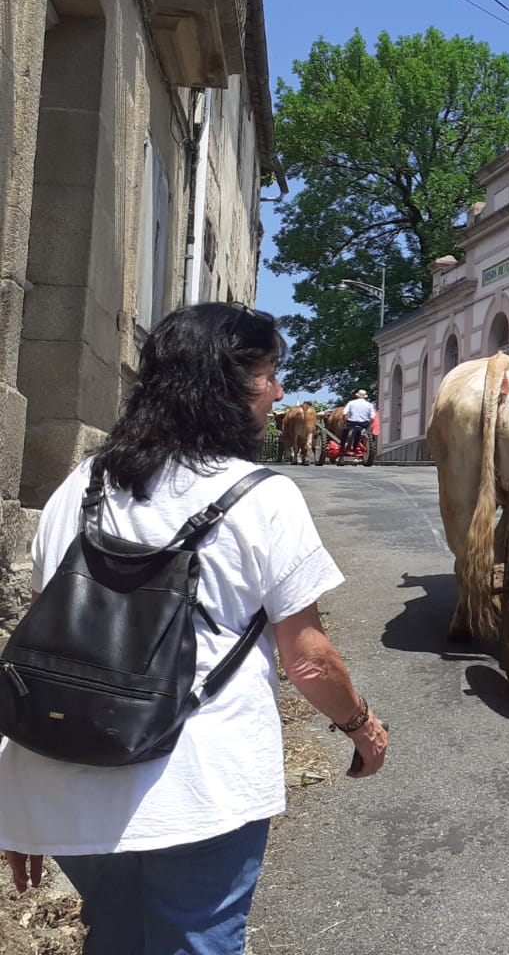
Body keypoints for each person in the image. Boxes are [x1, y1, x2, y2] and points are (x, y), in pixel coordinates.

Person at [0, 302, 388, 954]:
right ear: (224, 384)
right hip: (200, 790)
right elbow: (309, 660)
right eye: (268, 374)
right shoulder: (261, 496)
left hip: (69, 773)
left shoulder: (83, 485)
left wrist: (23, 796)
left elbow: (44, 642)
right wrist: (362, 727)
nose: (279, 392)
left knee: (115, 938)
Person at [338, 387, 375, 464]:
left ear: (357, 395)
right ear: (365, 396)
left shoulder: (351, 403)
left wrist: (345, 422)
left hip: (352, 423)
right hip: (364, 424)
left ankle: (342, 449)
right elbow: (372, 417)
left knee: (344, 433)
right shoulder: (369, 405)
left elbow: (344, 414)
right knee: (367, 433)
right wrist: (368, 425)